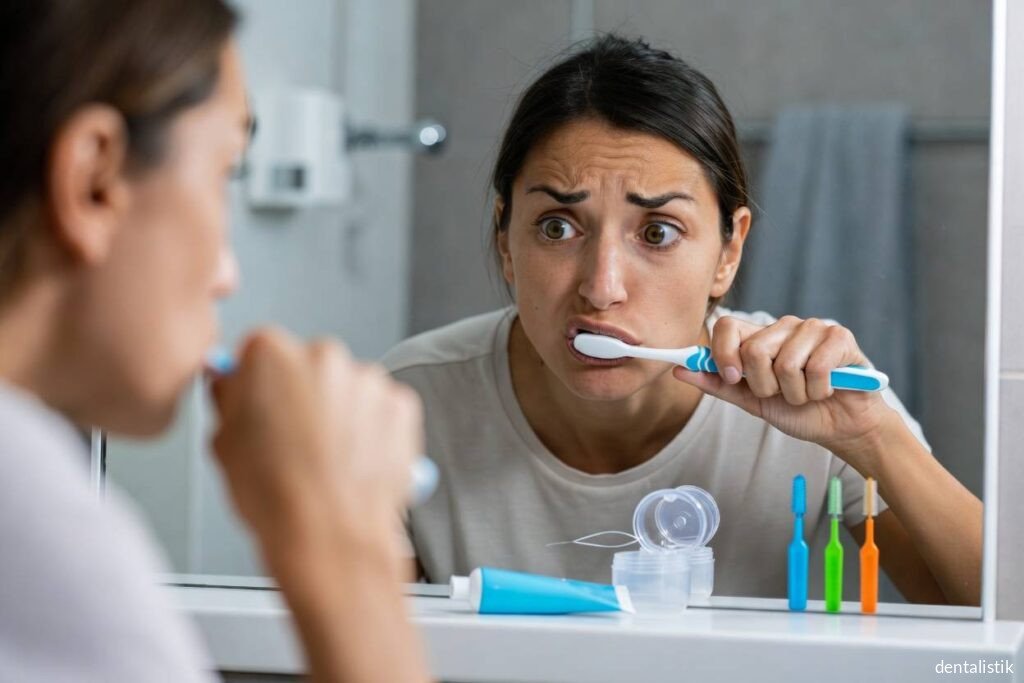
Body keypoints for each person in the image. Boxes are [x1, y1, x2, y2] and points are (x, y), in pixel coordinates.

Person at [383, 35, 982, 606]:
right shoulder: (407, 405)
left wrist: (872, 438)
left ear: (729, 252)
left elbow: (1004, 626)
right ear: (505, 239)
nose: (602, 287)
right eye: (557, 227)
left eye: (658, 233)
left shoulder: (810, 395)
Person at [0, 1, 429, 680]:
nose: (228, 275)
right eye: (225, 172)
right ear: (93, 180)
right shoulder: (32, 526)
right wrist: (344, 547)